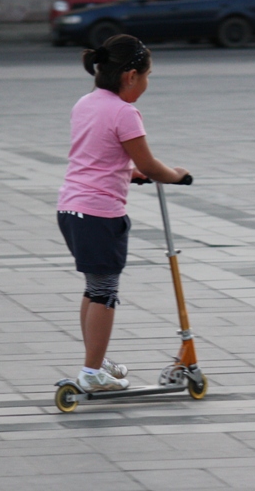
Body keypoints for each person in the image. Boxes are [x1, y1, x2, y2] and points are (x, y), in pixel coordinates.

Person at [57, 34, 189, 392]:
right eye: (146, 77)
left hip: (71, 208)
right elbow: (151, 163)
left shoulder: (86, 103)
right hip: (100, 214)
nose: (146, 85)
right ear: (130, 76)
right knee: (105, 292)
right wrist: (177, 175)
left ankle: (95, 362)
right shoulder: (124, 112)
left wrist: (128, 173)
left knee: (95, 288)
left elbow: (95, 157)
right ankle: (91, 372)